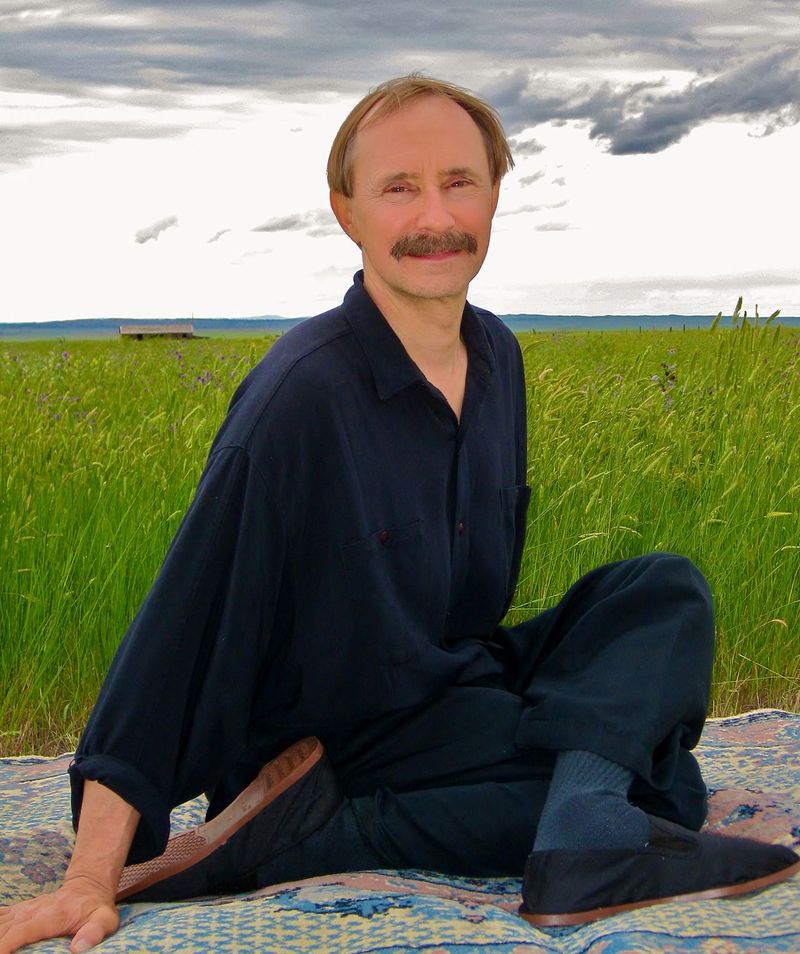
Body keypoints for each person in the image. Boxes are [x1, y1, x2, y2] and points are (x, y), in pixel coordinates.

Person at [1, 74, 797, 954]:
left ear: (495, 193)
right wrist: (90, 878)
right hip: (332, 740)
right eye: (398, 187)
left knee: (663, 590)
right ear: (347, 212)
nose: (435, 217)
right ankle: (336, 834)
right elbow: (181, 629)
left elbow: (473, 610)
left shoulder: (496, 356)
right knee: (657, 783)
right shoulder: (300, 400)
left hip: (454, 684)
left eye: (459, 181)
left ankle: (582, 820)